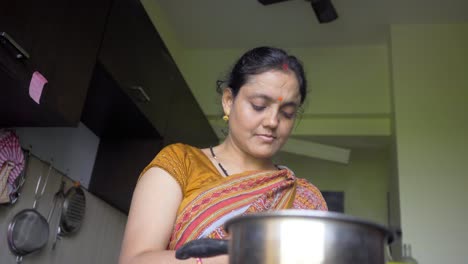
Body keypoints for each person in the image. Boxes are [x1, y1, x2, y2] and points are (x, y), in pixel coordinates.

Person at [119, 46, 328, 264]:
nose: (272, 122)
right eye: (259, 106)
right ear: (228, 101)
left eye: (287, 113)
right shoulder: (181, 163)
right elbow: (134, 261)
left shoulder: (303, 198)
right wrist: (238, 256)